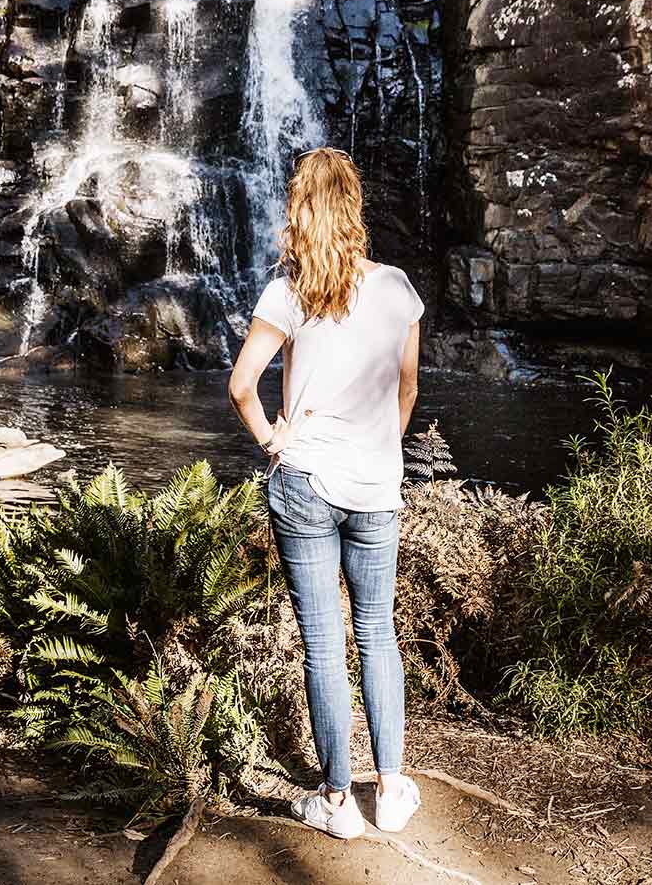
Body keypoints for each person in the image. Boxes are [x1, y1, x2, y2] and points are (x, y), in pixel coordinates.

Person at [227, 147, 423, 840]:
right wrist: (380, 449)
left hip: (305, 480)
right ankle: (391, 788)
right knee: (376, 631)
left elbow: (241, 386)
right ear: (355, 208)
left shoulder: (289, 291)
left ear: (299, 210)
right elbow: (407, 390)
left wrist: (272, 440)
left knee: (323, 643)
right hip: (375, 485)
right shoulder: (399, 289)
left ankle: (338, 802)